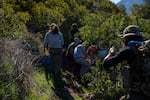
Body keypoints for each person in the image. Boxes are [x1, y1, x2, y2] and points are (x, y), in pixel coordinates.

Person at [102, 25, 150, 100]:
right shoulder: (146, 49)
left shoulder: (129, 50)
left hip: (138, 93)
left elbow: (106, 64)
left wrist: (110, 53)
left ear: (126, 38)